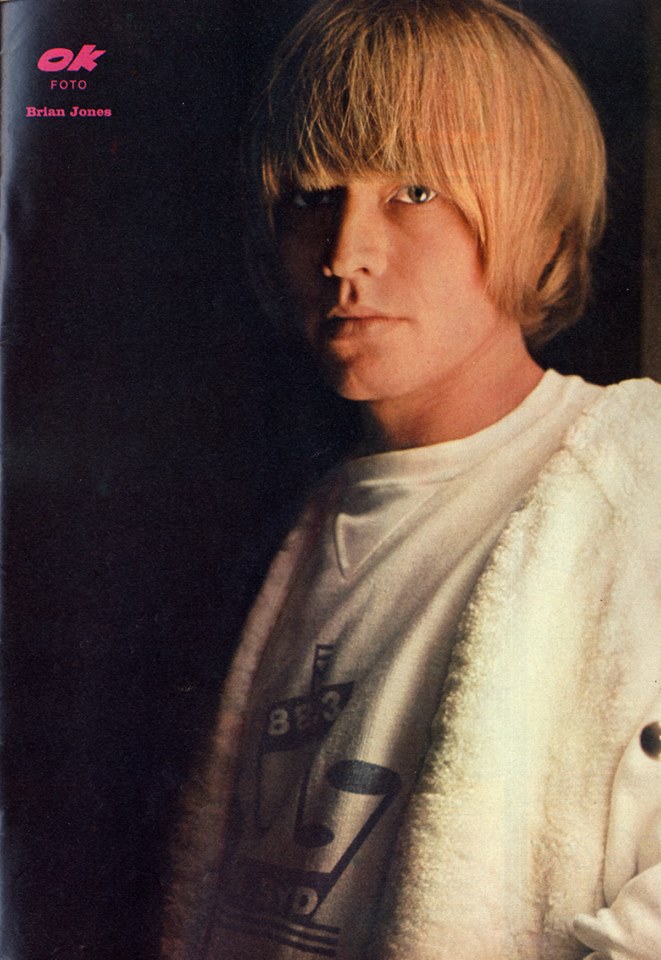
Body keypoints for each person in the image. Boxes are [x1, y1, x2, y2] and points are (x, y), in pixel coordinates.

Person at [162, 1, 661, 957]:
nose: (343, 254)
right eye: (313, 195)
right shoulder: (307, 526)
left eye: (415, 191)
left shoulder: (633, 483)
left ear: (536, 218)